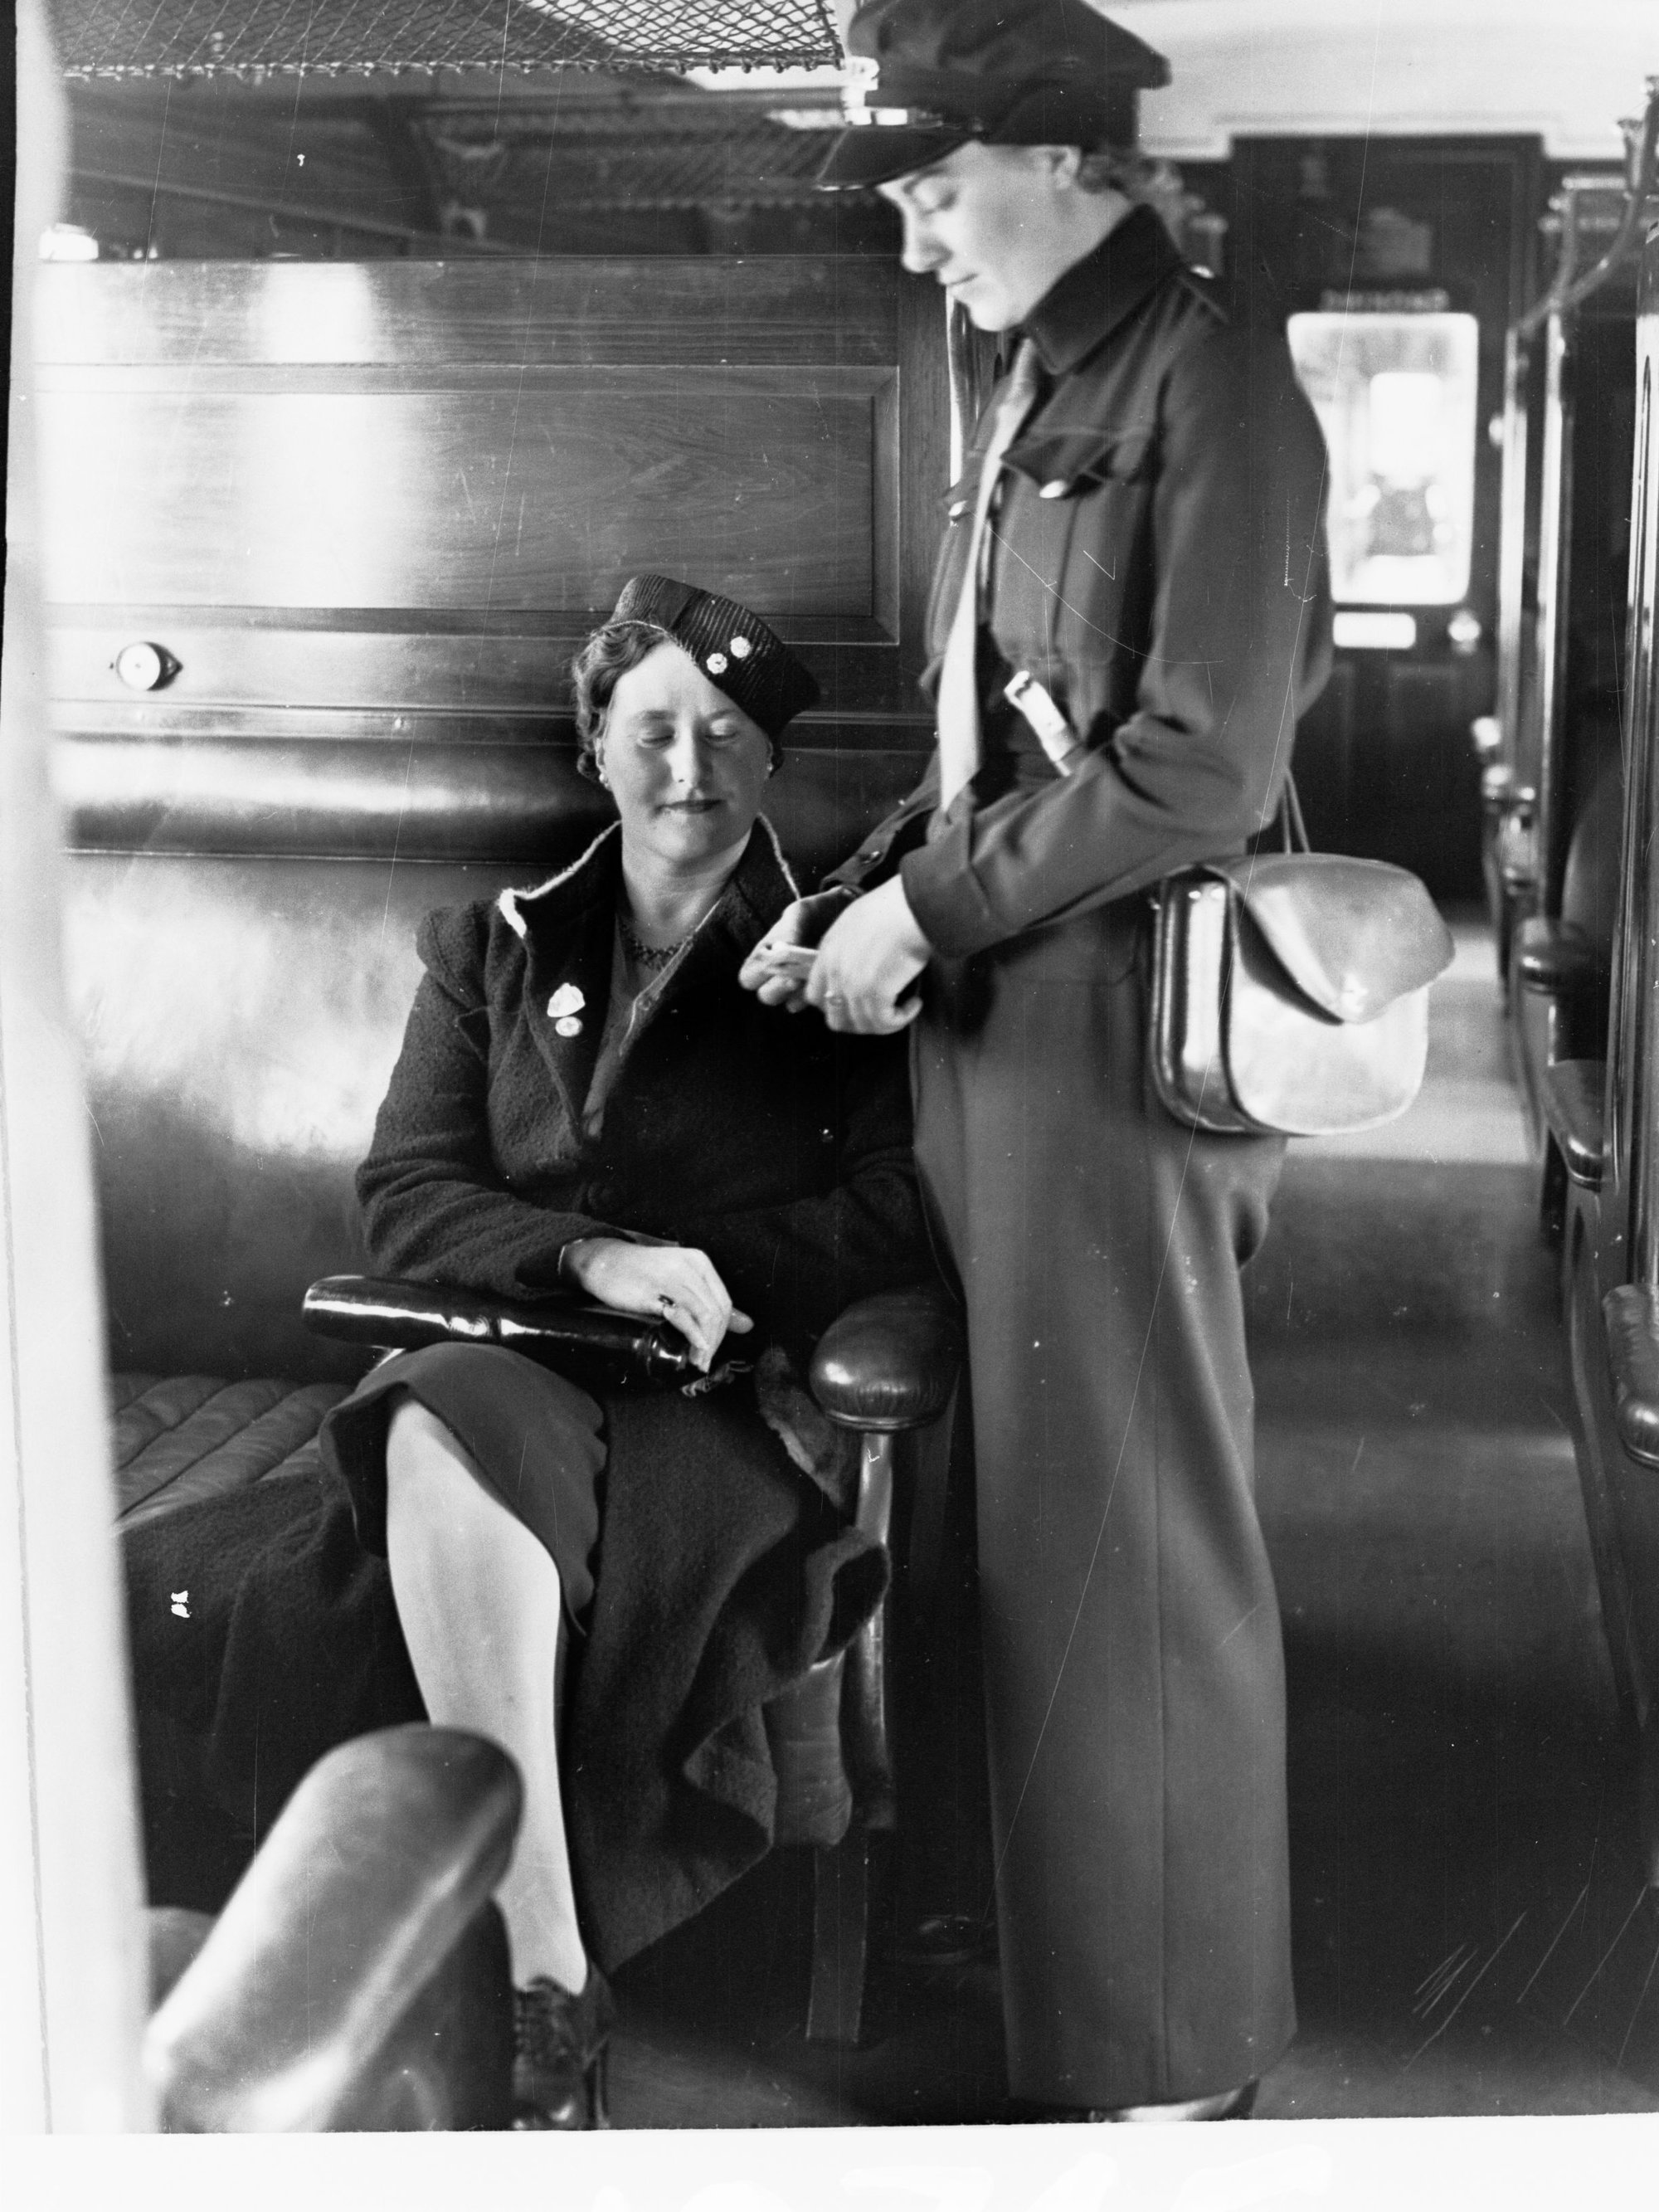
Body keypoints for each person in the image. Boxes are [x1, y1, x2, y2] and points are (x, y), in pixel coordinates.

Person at [741, 0, 1333, 2121]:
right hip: (997, 1037)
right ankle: (1059, 1982)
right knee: (1017, 1537)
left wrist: (933, 913)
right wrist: (862, 890)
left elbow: (1196, 764)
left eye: (932, 188)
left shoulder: (1212, 383)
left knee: (1132, 1537)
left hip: (1116, 1046)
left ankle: (1171, 2052)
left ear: (1069, 160)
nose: (915, 242)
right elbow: (989, 737)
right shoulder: (1022, 395)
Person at [124, 576, 929, 2128]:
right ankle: (548, 1978)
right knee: (437, 1407)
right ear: (597, 754)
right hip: (507, 1360)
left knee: (432, 1423)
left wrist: (708, 1277)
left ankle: (536, 1982)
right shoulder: (489, 947)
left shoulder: (840, 959)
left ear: (769, 761)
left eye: (723, 732)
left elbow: (899, 1209)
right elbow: (407, 1195)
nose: (688, 765)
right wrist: (585, 1254)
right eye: (652, 731)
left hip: (714, 1411)